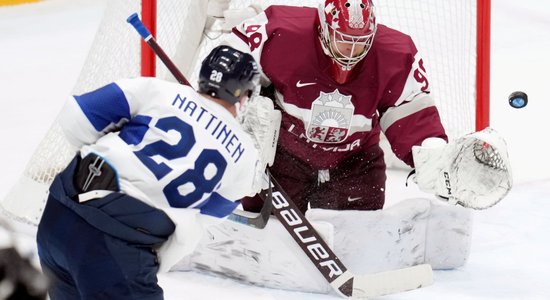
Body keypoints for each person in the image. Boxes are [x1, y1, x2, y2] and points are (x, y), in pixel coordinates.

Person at [36, 45, 273, 299]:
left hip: (58, 215)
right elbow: (205, 217)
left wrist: (102, 162)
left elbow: (77, 115)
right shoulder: (246, 154)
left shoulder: (159, 90)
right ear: (243, 95)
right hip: (119, 247)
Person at [225, 0, 449, 213]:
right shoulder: (282, 33)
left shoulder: (394, 55)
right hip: (284, 157)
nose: (351, 51)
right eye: (343, 39)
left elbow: (410, 115)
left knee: (358, 234)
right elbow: (231, 61)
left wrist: (432, 157)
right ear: (322, 28)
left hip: (354, 162)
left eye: (360, 41)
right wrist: (237, 110)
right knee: (268, 231)